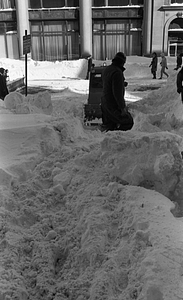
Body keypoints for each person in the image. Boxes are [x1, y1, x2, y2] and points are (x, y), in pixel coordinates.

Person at [100, 52, 133, 132]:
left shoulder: (107, 69)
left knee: (110, 126)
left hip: (104, 103)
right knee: (128, 122)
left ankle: (111, 140)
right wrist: (122, 108)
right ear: (122, 62)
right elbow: (117, 94)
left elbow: (108, 83)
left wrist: (121, 83)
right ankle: (118, 138)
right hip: (112, 105)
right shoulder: (117, 72)